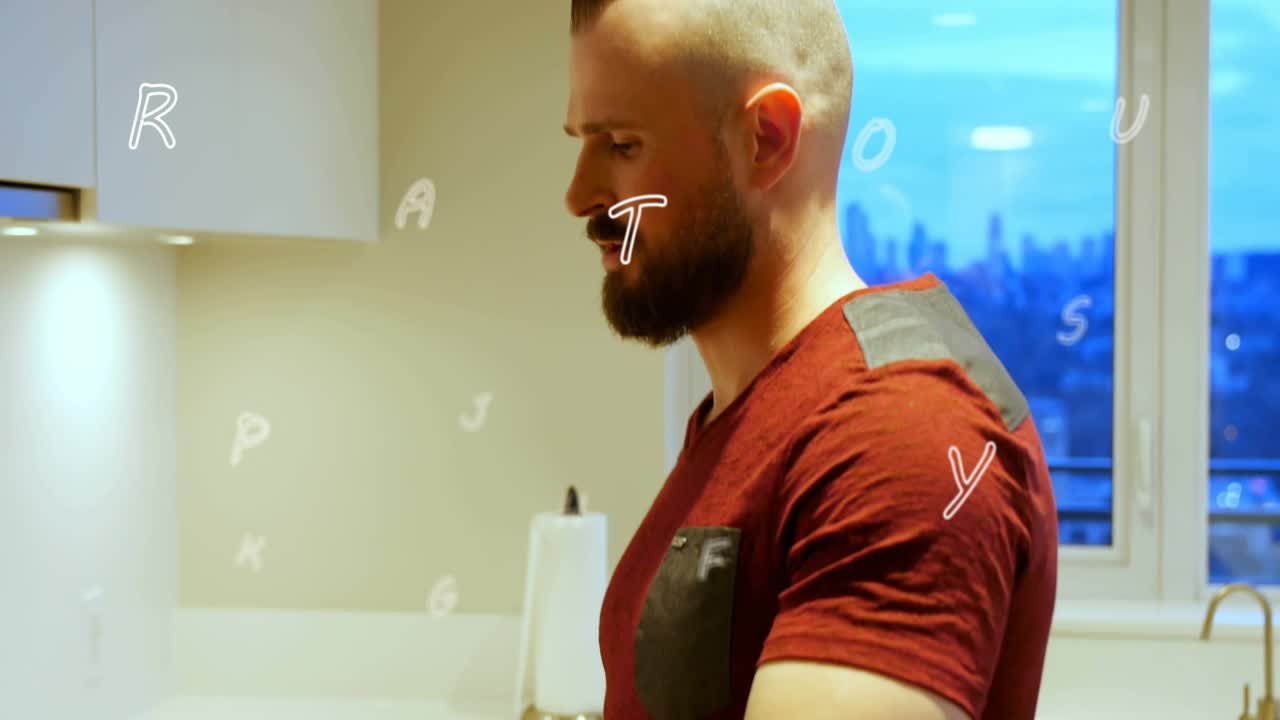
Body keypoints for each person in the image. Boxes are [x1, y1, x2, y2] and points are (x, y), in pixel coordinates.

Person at [561, 1, 1059, 718]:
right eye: (582, 141)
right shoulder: (754, 412)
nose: (577, 195)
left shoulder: (900, 436)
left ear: (765, 140)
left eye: (623, 145)